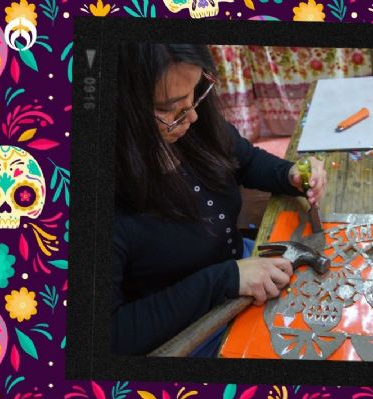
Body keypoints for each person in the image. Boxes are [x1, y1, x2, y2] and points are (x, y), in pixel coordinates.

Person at [112, 43, 327, 357]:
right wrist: (224, 279)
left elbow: (248, 161)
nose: (193, 115)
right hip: (188, 328)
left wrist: (288, 174)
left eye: (196, 92)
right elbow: (110, 334)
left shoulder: (195, 128)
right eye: (169, 108)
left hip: (240, 270)